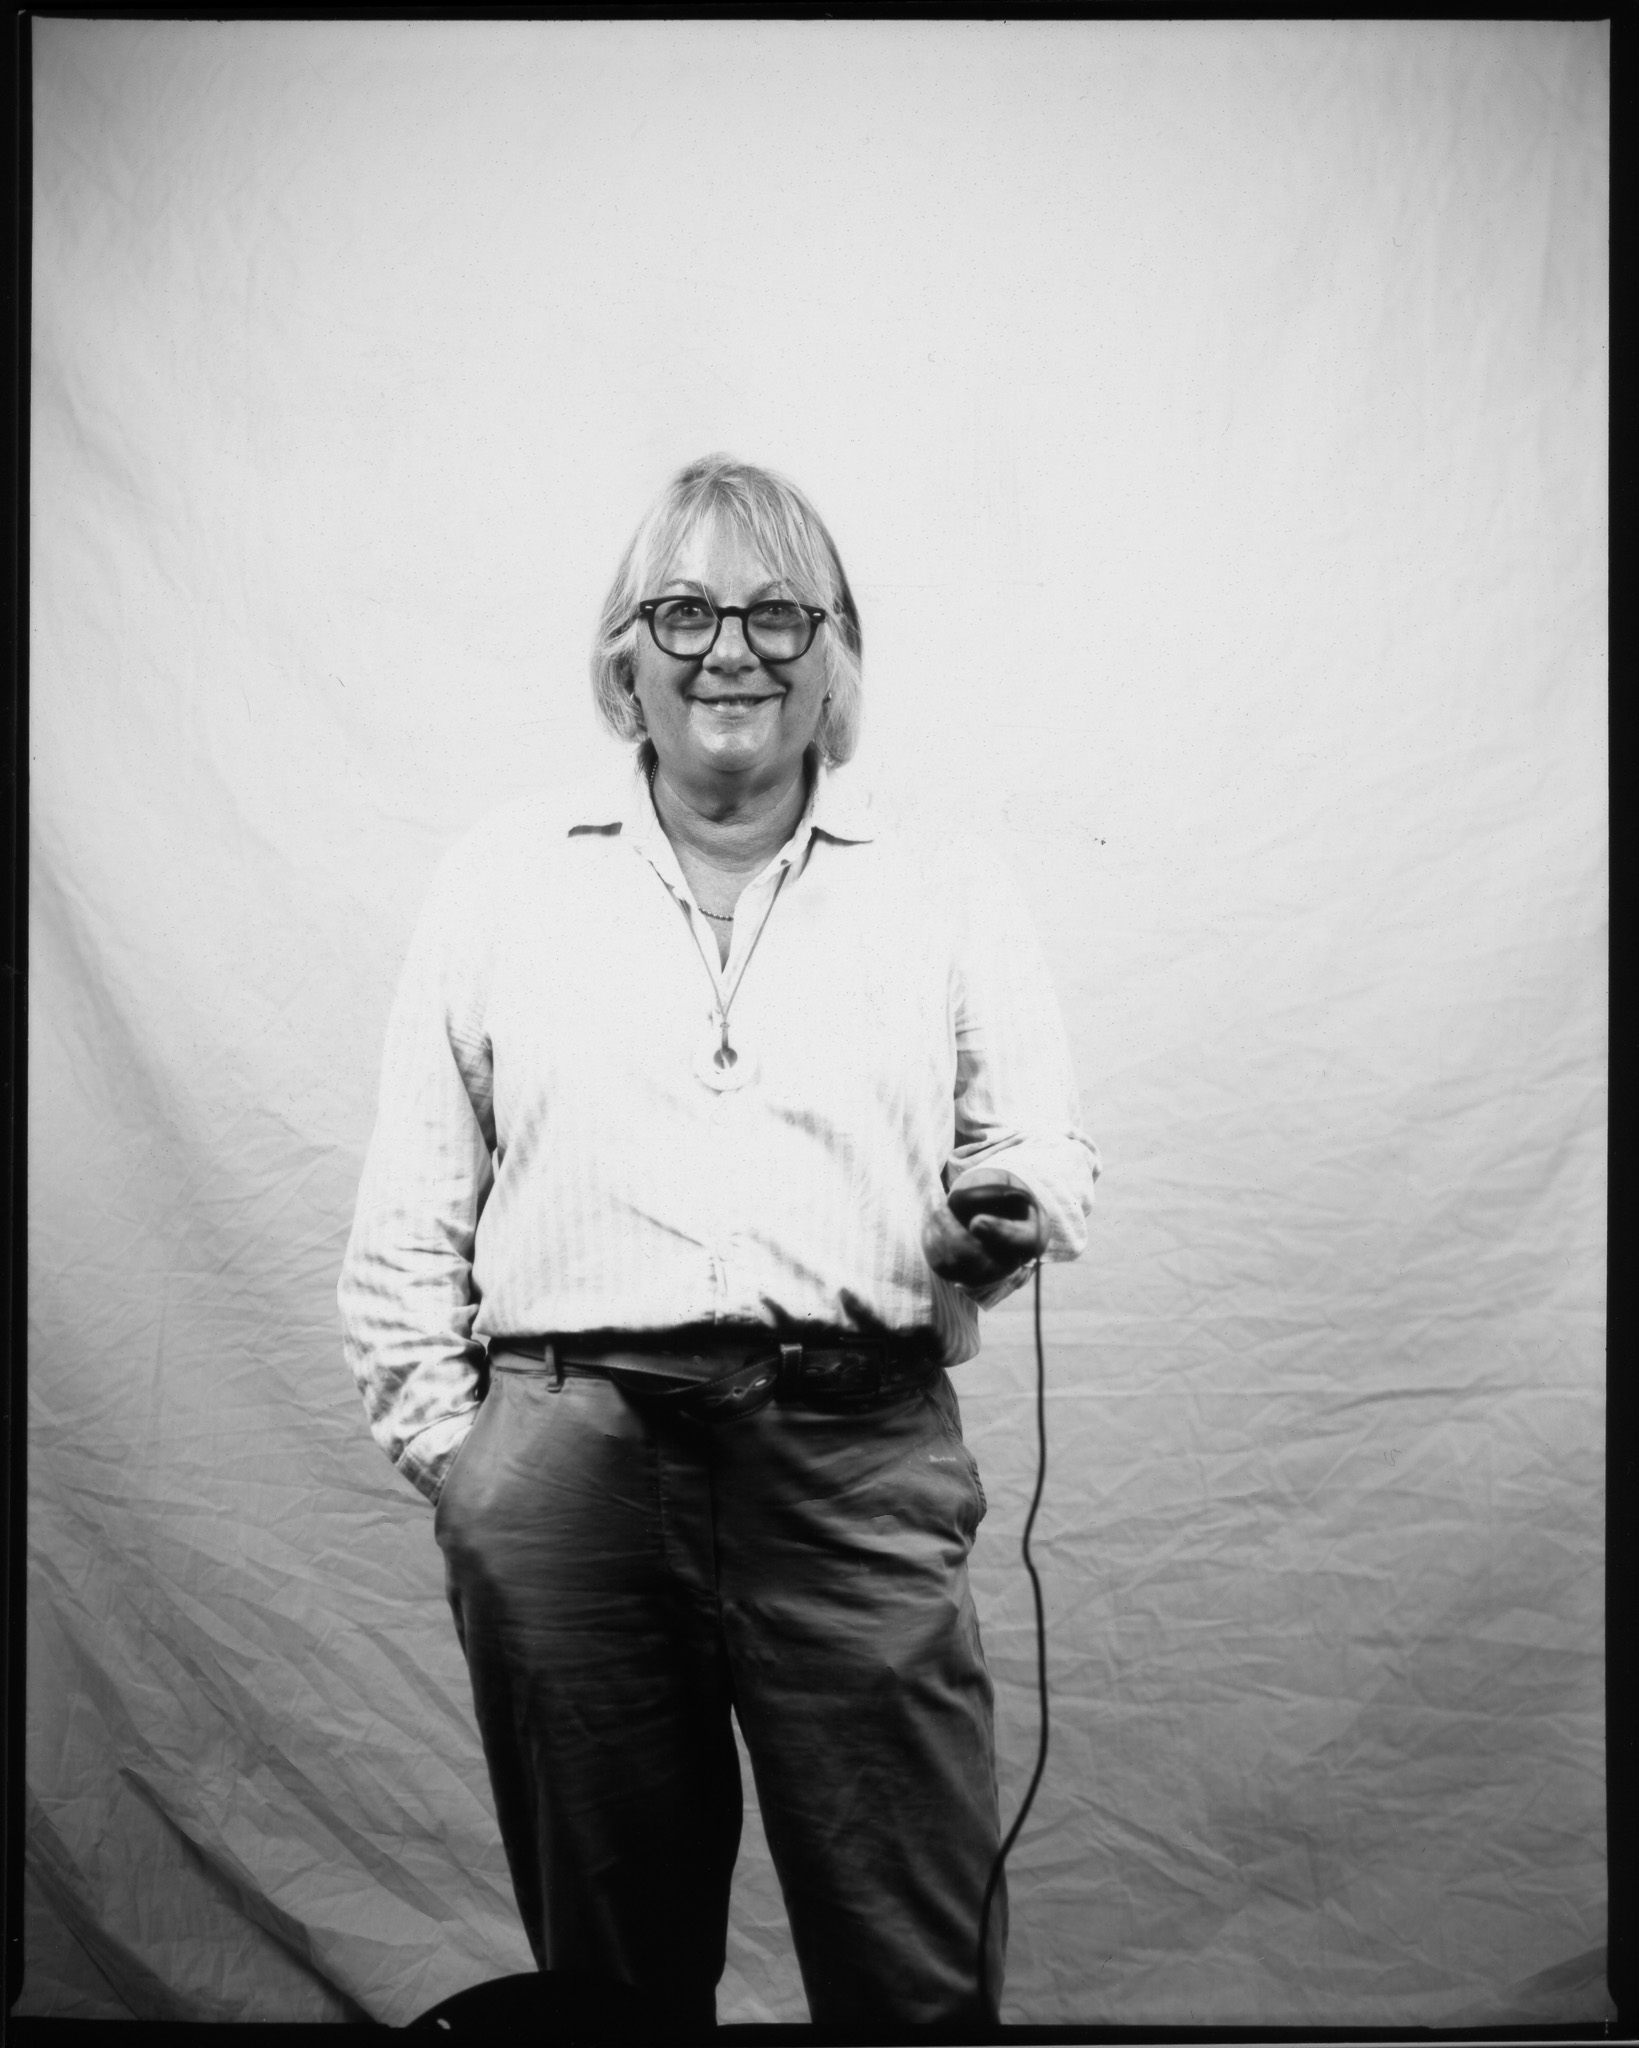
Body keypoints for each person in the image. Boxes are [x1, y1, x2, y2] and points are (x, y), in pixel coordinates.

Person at [338, 454, 1100, 2034]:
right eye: (684, 611)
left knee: (913, 1972)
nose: (730, 649)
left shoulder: (947, 885)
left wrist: (1002, 1210)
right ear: (626, 658)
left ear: (838, 657)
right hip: (572, 1470)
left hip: (853, 1451)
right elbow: (408, 1220)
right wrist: (483, 1472)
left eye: (775, 611)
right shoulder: (499, 877)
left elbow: (1040, 1144)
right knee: (615, 1985)